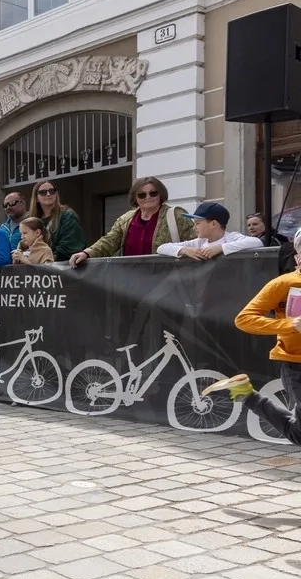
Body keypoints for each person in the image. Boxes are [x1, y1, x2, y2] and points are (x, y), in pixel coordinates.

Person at [199, 231, 301, 447]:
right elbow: (244, 319)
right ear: (298, 257)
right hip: (297, 365)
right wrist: (290, 324)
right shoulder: (283, 284)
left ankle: (245, 394)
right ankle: (249, 396)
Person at [70, 177, 195, 267]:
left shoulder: (176, 215)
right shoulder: (126, 219)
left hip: (167, 283)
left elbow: (196, 241)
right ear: (135, 198)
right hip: (132, 283)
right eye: (142, 195)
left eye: (153, 193)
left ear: (160, 194)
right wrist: (86, 253)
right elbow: (109, 241)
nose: (148, 197)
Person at [155, 202, 262, 260]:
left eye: (198, 223)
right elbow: (161, 248)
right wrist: (185, 250)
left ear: (213, 224)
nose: (194, 227)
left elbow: (257, 242)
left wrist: (220, 248)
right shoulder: (198, 242)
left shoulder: (231, 237)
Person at [29, 180, 85, 262]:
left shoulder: (67, 215)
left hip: (64, 268)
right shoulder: (32, 220)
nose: (48, 194)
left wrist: (46, 259)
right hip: (38, 268)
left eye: (52, 191)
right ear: (36, 198)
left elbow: (69, 245)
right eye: (43, 192)